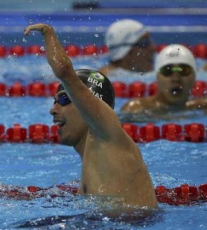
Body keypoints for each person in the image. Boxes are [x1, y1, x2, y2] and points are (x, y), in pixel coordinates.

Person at [24, 23, 158, 215]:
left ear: (88, 105)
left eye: (63, 99)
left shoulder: (107, 134)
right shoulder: (96, 159)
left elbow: (65, 72)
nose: (52, 110)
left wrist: (48, 32)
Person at [121, 44, 207, 114]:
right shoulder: (136, 110)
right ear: (157, 77)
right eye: (167, 71)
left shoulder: (201, 107)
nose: (176, 78)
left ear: (194, 77)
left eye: (184, 70)